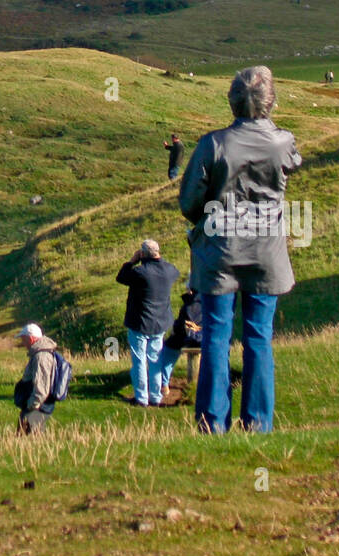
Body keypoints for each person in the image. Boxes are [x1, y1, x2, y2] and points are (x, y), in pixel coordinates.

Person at [179, 64, 302, 434]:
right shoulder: (283, 141)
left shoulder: (212, 144)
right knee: (259, 337)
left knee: (216, 335)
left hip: (220, 250)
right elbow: (291, 164)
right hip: (266, 250)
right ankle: (258, 423)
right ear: (270, 103)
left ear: (232, 102)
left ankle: (212, 423)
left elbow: (189, 202)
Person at [116, 240, 180, 407]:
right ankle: (156, 396)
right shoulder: (169, 270)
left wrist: (132, 261)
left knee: (139, 361)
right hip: (160, 323)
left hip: (140, 322)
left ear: (142, 254)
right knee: (155, 359)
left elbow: (121, 277)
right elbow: (175, 272)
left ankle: (142, 398)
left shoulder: (140, 272)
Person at [13, 323, 58, 434]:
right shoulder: (39, 353)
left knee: (28, 439)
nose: (23, 343)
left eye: (24, 339)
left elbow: (41, 387)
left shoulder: (41, 356)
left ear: (31, 338)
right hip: (36, 405)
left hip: (37, 407)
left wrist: (31, 406)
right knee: (27, 439)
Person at [159, 289, 202, 395]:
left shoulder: (191, 304)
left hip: (190, 338)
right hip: (206, 337)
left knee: (168, 350)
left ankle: (164, 384)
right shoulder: (209, 300)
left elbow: (180, 327)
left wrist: (177, 326)